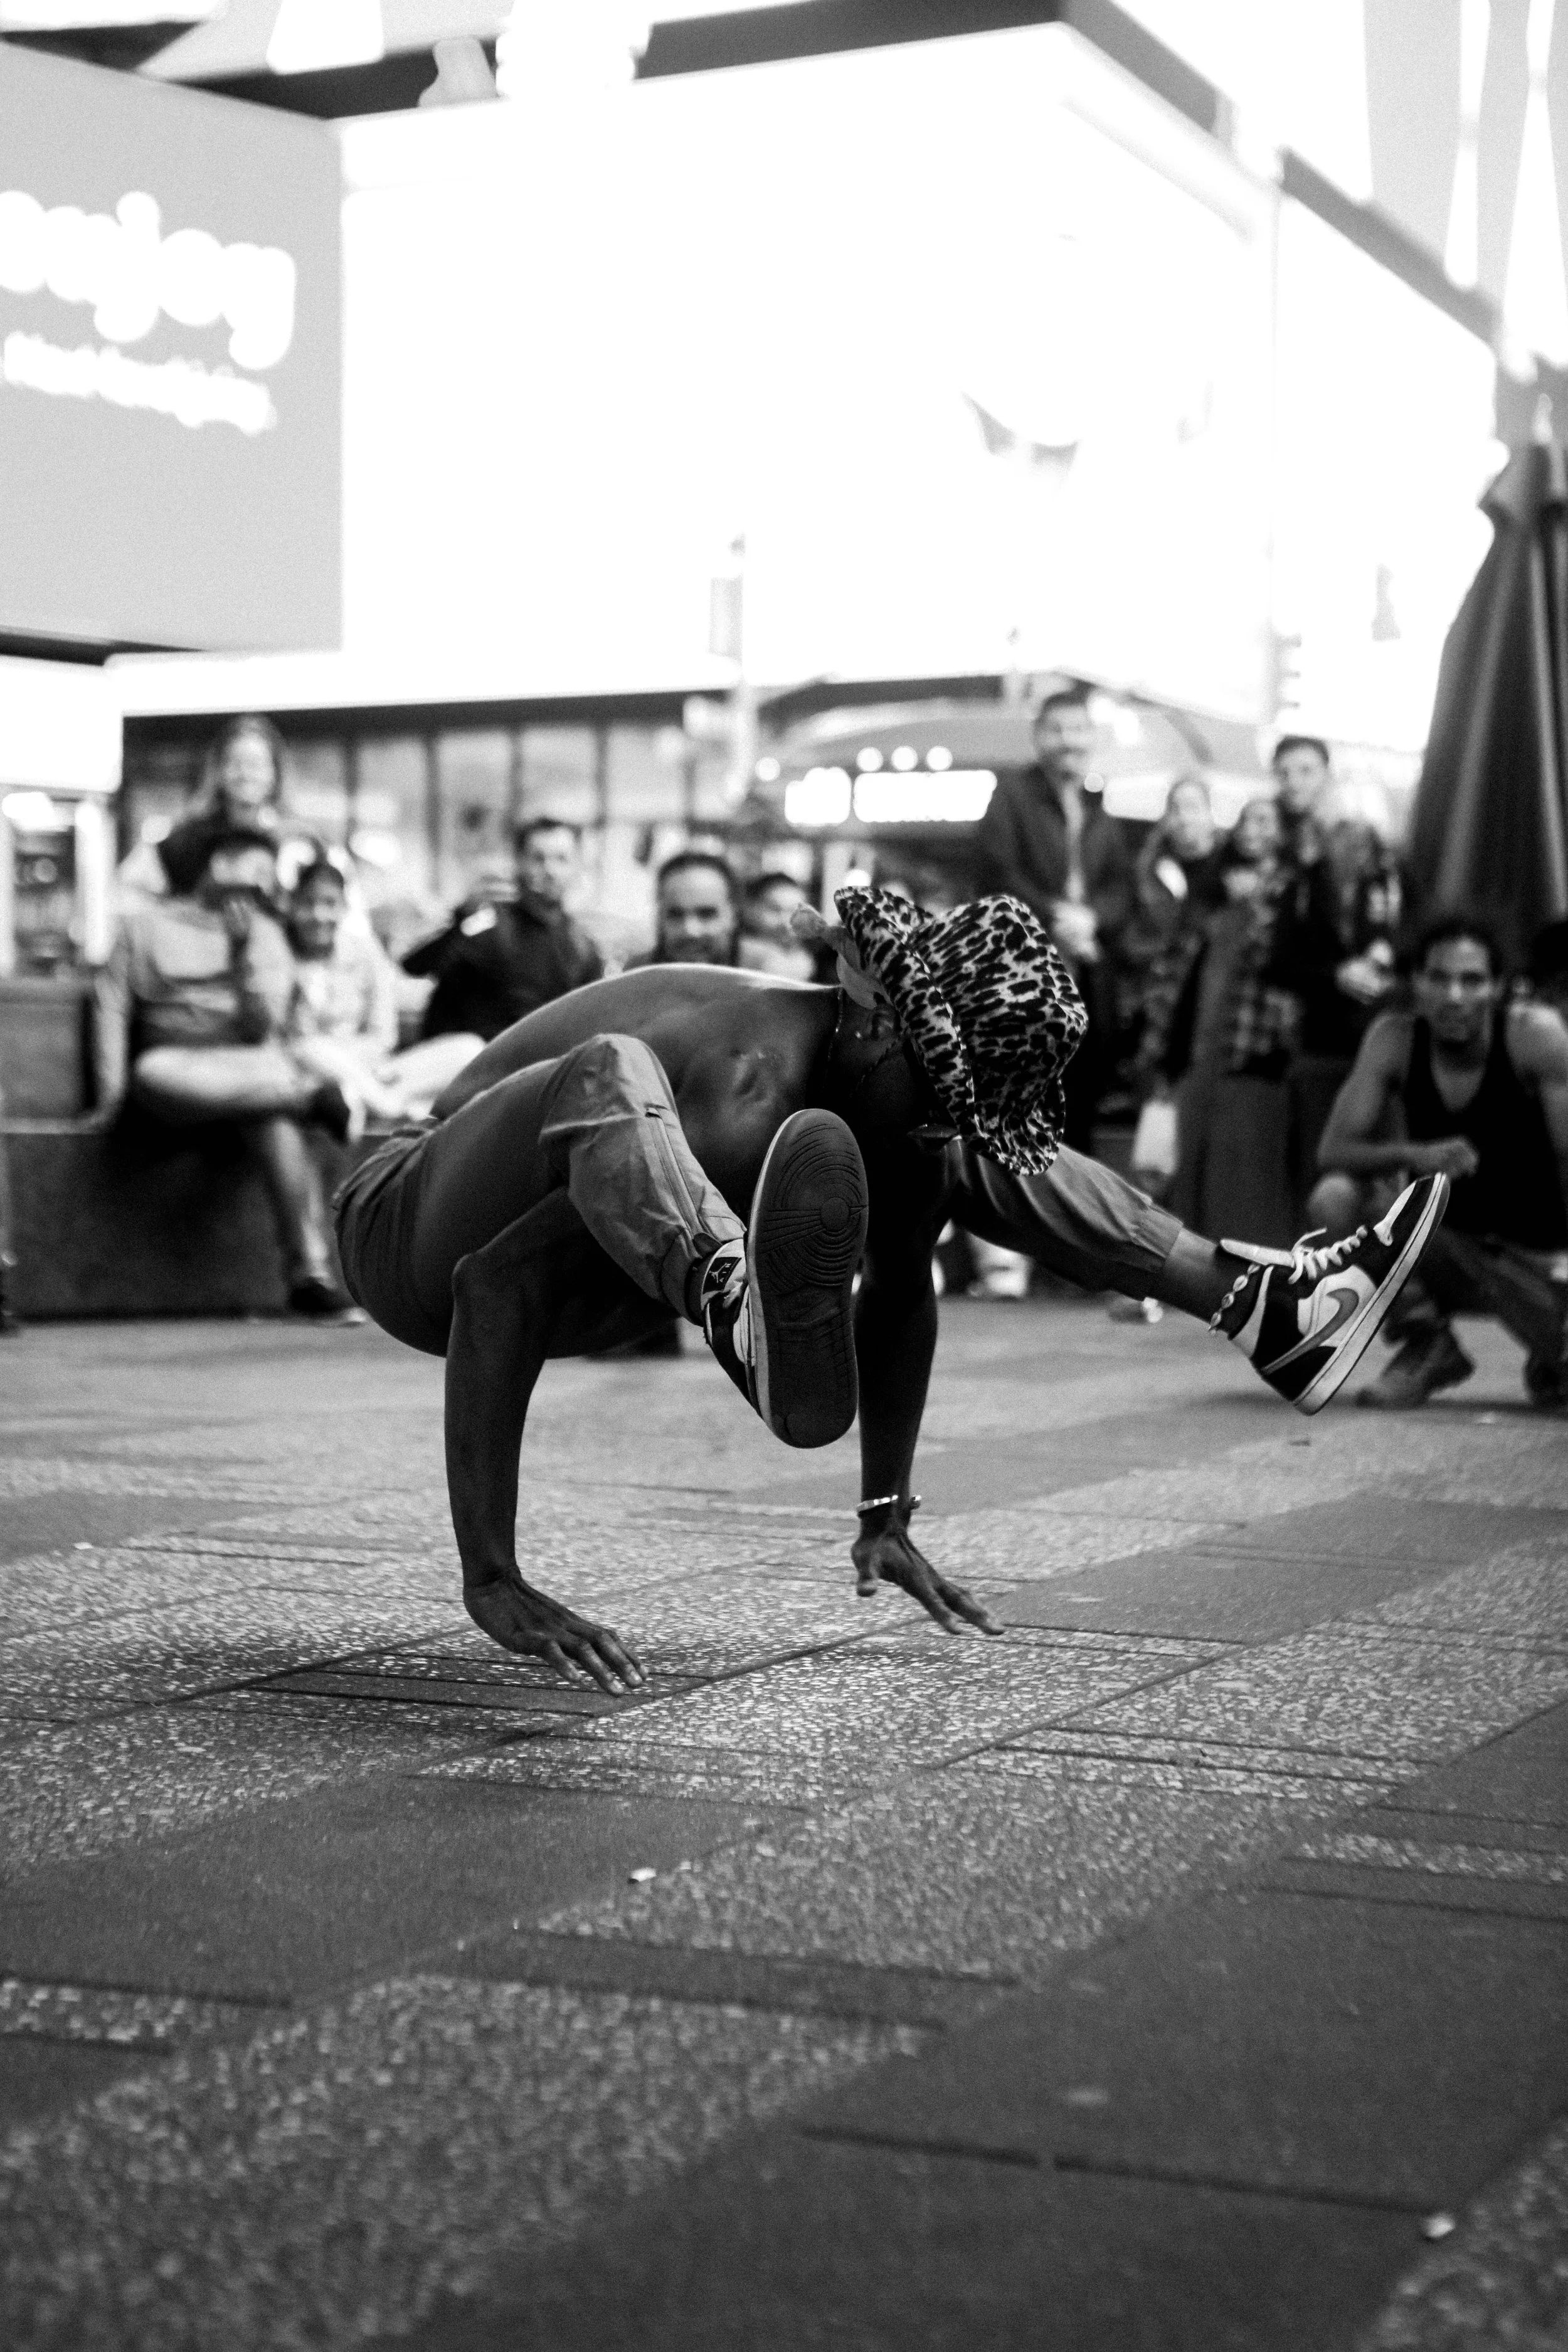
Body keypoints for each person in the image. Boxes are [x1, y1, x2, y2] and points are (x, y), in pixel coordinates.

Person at [331, 883, 1448, 1690]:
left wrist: (887, 1514)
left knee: (952, 1156)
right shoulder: (745, 1081)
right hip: (408, 1215)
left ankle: (1267, 1310)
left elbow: (902, 1290)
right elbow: (492, 1288)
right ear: (870, 1017)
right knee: (617, 1071)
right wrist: (493, 1576)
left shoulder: (889, 1095)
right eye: (936, 1081)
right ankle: (736, 1299)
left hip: (625, 1247)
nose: (935, 1115)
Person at [94, 820, 361, 1320]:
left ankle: (310, 1277)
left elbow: (265, 1026)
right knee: (153, 1073)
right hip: (177, 1066)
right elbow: (111, 1008)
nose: (264, 886)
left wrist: (243, 956)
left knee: (272, 1115)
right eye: (255, 870)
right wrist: (110, 1093)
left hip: (246, 1066)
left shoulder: (263, 932)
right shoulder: (144, 926)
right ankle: (309, 1098)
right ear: (219, 865)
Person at [1312, 915, 1568, 1410]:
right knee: (1336, 1199)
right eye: (1439, 978)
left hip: (1533, 1260)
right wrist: (1413, 1155)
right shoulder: (1394, 1039)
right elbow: (1333, 1151)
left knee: (1558, 1392)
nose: (1454, 996)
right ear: (1416, 984)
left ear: (1498, 988)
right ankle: (1428, 1343)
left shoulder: (1535, 1037)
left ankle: (1550, 1356)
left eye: (1472, 980)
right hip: (1445, 1248)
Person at [973, 686, 1134, 1152]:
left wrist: (1093, 918)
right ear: (1038, 737)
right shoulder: (1012, 796)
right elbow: (996, 872)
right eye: (1057, 730)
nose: (1069, 741)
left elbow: (1122, 886)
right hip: (1027, 984)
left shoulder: (1097, 806)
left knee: (1082, 1112)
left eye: (1080, 730)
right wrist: (1054, 916)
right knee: (1028, 1117)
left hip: (1087, 980)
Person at [1138, 797, 1298, 1248]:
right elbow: (1177, 976)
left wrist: (1259, 903)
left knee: (1245, 1178)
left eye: (1264, 821)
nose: (1250, 830)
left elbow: (1282, 968)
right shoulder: (1210, 895)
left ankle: (1250, 1276)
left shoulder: (1291, 890)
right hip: (1198, 1051)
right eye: (1244, 819)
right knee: (1190, 1170)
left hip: (1254, 1055)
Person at [284, 854, 484, 1126]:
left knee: (468, 1049)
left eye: (329, 904)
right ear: (293, 906)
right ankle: (390, 1108)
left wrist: (356, 1070)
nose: (319, 915)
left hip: (370, 1073)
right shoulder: (281, 954)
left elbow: (384, 1037)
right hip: (309, 1074)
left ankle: (367, 1100)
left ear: (343, 907)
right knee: (310, 1047)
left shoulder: (365, 951)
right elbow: (293, 1043)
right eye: (308, 904)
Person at [1270, 815, 1401, 1216]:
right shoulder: (1303, 887)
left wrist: (1389, 960)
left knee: (1383, 1166)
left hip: (1381, 1046)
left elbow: (1420, 949)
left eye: (1363, 837)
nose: (1353, 846)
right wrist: (1336, 975)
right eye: (1344, 835)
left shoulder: (1392, 885)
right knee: (1320, 1159)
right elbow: (1281, 965)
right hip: (1321, 1046)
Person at [404, 817, 603, 1042]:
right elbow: (414, 966)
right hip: (475, 1061)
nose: (549, 869)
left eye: (562, 859)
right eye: (538, 858)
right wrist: (461, 917)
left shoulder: (582, 945)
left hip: (539, 1063)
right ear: (519, 862)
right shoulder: (486, 921)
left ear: (577, 866)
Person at [117, 714, 293, 909]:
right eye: (236, 764)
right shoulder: (186, 841)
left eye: (256, 765)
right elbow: (128, 889)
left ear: (275, 773)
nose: (245, 775)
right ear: (218, 772)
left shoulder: (292, 842)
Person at [633, 849, 741, 967]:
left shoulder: (761, 976)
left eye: (706, 914)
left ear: (733, 916)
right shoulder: (633, 977)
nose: (690, 931)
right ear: (659, 917)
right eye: (676, 915)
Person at [738, 872, 818, 980]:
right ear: (750, 909)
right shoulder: (739, 950)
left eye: (794, 912)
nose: (786, 922)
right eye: (775, 910)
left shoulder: (809, 955)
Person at [1271, 732, 1332, 874]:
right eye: (1284, 773)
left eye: (1306, 771)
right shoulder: (1258, 836)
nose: (1293, 783)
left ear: (1327, 774)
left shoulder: (1352, 837)